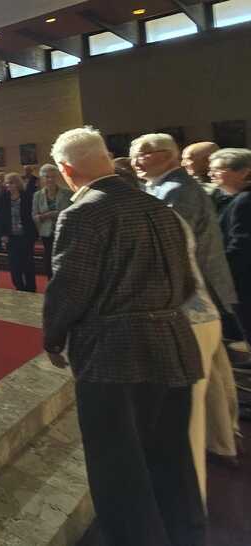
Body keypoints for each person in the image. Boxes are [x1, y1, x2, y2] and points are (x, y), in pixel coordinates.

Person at [44, 127, 205, 546]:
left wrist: (53, 337)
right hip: (174, 342)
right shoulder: (157, 207)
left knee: (118, 468)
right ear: (106, 158)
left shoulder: (84, 212)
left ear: (67, 170)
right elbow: (187, 282)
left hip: (115, 353)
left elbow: (71, 288)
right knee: (171, 459)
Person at [132, 133, 241, 474]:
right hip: (198, 295)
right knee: (214, 373)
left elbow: (170, 252)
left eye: (143, 153)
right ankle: (224, 440)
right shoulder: (165, 187)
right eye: (133, 153)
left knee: (196, 379)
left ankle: (204, 452)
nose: (135, 160)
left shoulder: (175, 191)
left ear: (168, 155)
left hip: (190, 298)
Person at [210, 148, 251, 362]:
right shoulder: (234, 199)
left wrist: (222, 270)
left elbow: (241, 243)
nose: (211, 174)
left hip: (243, 278)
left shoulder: (244, 200)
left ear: (243, 172)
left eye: (218, 169)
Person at [0, 173, 37, 292]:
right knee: (14, 265)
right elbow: (1, 217)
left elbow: (31, 216)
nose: (8, 185)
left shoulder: (27, 196)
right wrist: (3, 234)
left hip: (26, 235)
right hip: (11, 236)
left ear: (17, 183)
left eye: (11, 183)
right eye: (7, 183)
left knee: (28, 264)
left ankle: (31, 288)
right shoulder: (3, 197)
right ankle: (19, 287)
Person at [32, 164, 72, 279]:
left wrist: (58, 214)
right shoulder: (37, 195)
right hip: (47, 233)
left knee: (64, 261)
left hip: (64, 233)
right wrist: (46, 215)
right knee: (49, 261)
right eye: (47, 177)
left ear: (57, 177)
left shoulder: (67, 193)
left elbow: (72, 214)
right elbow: (34, 216)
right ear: (42, 178)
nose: (50, 179)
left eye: (53, 176)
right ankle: (51, 284)